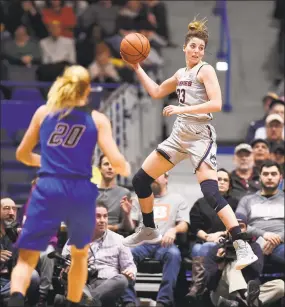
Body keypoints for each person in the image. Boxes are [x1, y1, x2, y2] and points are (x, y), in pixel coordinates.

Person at [121, 18, 257, 270]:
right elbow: (156, 91)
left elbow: (216, 103)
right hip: (179, 136)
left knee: (211, 192)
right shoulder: (181, 73)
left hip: (200, 137)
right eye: (193, 46)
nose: (197, 51)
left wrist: (182, 108)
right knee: (140, 180)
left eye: (201, 48)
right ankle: (149, 228)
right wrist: (137, 67)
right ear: (184, 48)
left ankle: (242, 246)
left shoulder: (206, 70)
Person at [7, 65, 130, 307]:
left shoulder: (44, 112)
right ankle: (74, 304)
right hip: (79, 190)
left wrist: (47, 161)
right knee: (80, 253)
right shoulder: (97, 119)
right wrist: (125, 167)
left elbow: (22, 154)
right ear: (87, 91)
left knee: (26, 259)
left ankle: (15, 301)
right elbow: (115, 160)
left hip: (48, 185)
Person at [235, 160, 284, 266]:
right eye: (266, 174)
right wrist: (264, 234)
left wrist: (278, 238)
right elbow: (239, 225)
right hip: (253, 243)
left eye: (274, 174)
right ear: (260, 177)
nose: (270, 177)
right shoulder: (247, 200)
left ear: (280, 177)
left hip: (282, 245)